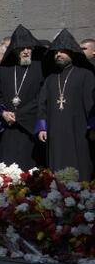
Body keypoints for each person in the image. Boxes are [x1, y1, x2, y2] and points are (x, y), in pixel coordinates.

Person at [36, 29, 95, 180]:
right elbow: (42, 103)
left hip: (79, 130)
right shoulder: (50, 78)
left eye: (63, 51)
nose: (58, 55)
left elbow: (91, 104)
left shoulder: (86, 75)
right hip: (54, 131)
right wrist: (42, 127)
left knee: (80, 164)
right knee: (56, 168)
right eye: (56, 52)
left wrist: (92, 127)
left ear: (72, 53)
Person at [0, 25, 46, 170]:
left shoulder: (40, 68)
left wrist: (20, 115)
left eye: (29, 47)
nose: (25, 51)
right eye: (21, 48)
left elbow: (42, 97)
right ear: (14, 50)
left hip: (30, 127)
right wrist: (3, 113)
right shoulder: (4, 69)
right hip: (9, 127)